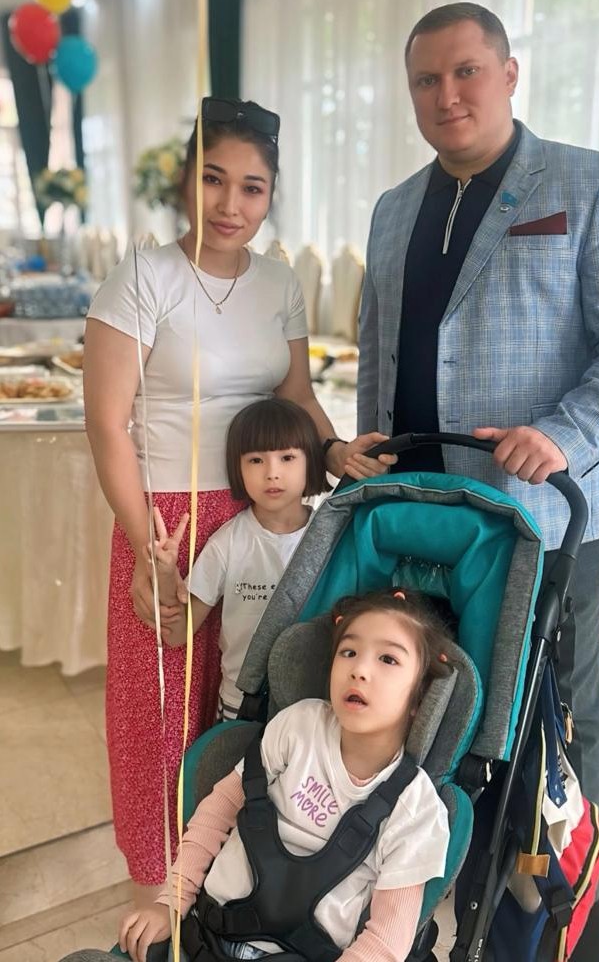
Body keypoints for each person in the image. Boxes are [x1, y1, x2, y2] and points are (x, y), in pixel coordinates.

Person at [356, 3, 599, 958]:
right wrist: (369, 460)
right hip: (421, 510)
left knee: (560, 709)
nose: (445, 95)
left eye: (464, 71)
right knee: (449, 702)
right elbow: (378, 351)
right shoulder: (392, 208)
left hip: (545, 512)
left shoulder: (588, 181)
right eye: (425, 79)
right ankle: (457, 870)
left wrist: (565, 433)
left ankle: (565, 896)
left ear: (507, 73)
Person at [84, 96, 395, 899]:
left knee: (255, 691)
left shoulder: (278, 281)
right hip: (169, 522)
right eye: (212, 180)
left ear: (270, 195)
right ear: (184, 183)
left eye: (252, 187)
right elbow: (107, 425)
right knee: (160, 705)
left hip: (267, 511)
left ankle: (234, 863)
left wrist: (332, 450)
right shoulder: (142, 277)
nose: (230, 204)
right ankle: (159, 879)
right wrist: (144, 545)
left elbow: (295, 393)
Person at [118, 588, 452, 962]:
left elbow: (386, 941)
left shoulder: (416, 809)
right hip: (203, 933)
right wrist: (172, 898)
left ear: (420, 696)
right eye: (349, 651)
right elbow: (222, 806)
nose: (359, 669)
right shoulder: (298, 726)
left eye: (388, 658)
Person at [149, 397, 327, 719]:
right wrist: (165, 574)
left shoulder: (331, 538)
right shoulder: (227, 542)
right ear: (237, 468)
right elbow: (176, 635)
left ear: (311, 462)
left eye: (287, 457)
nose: (272, 473)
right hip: (241, 706)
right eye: (256, 460)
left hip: (316, 709)